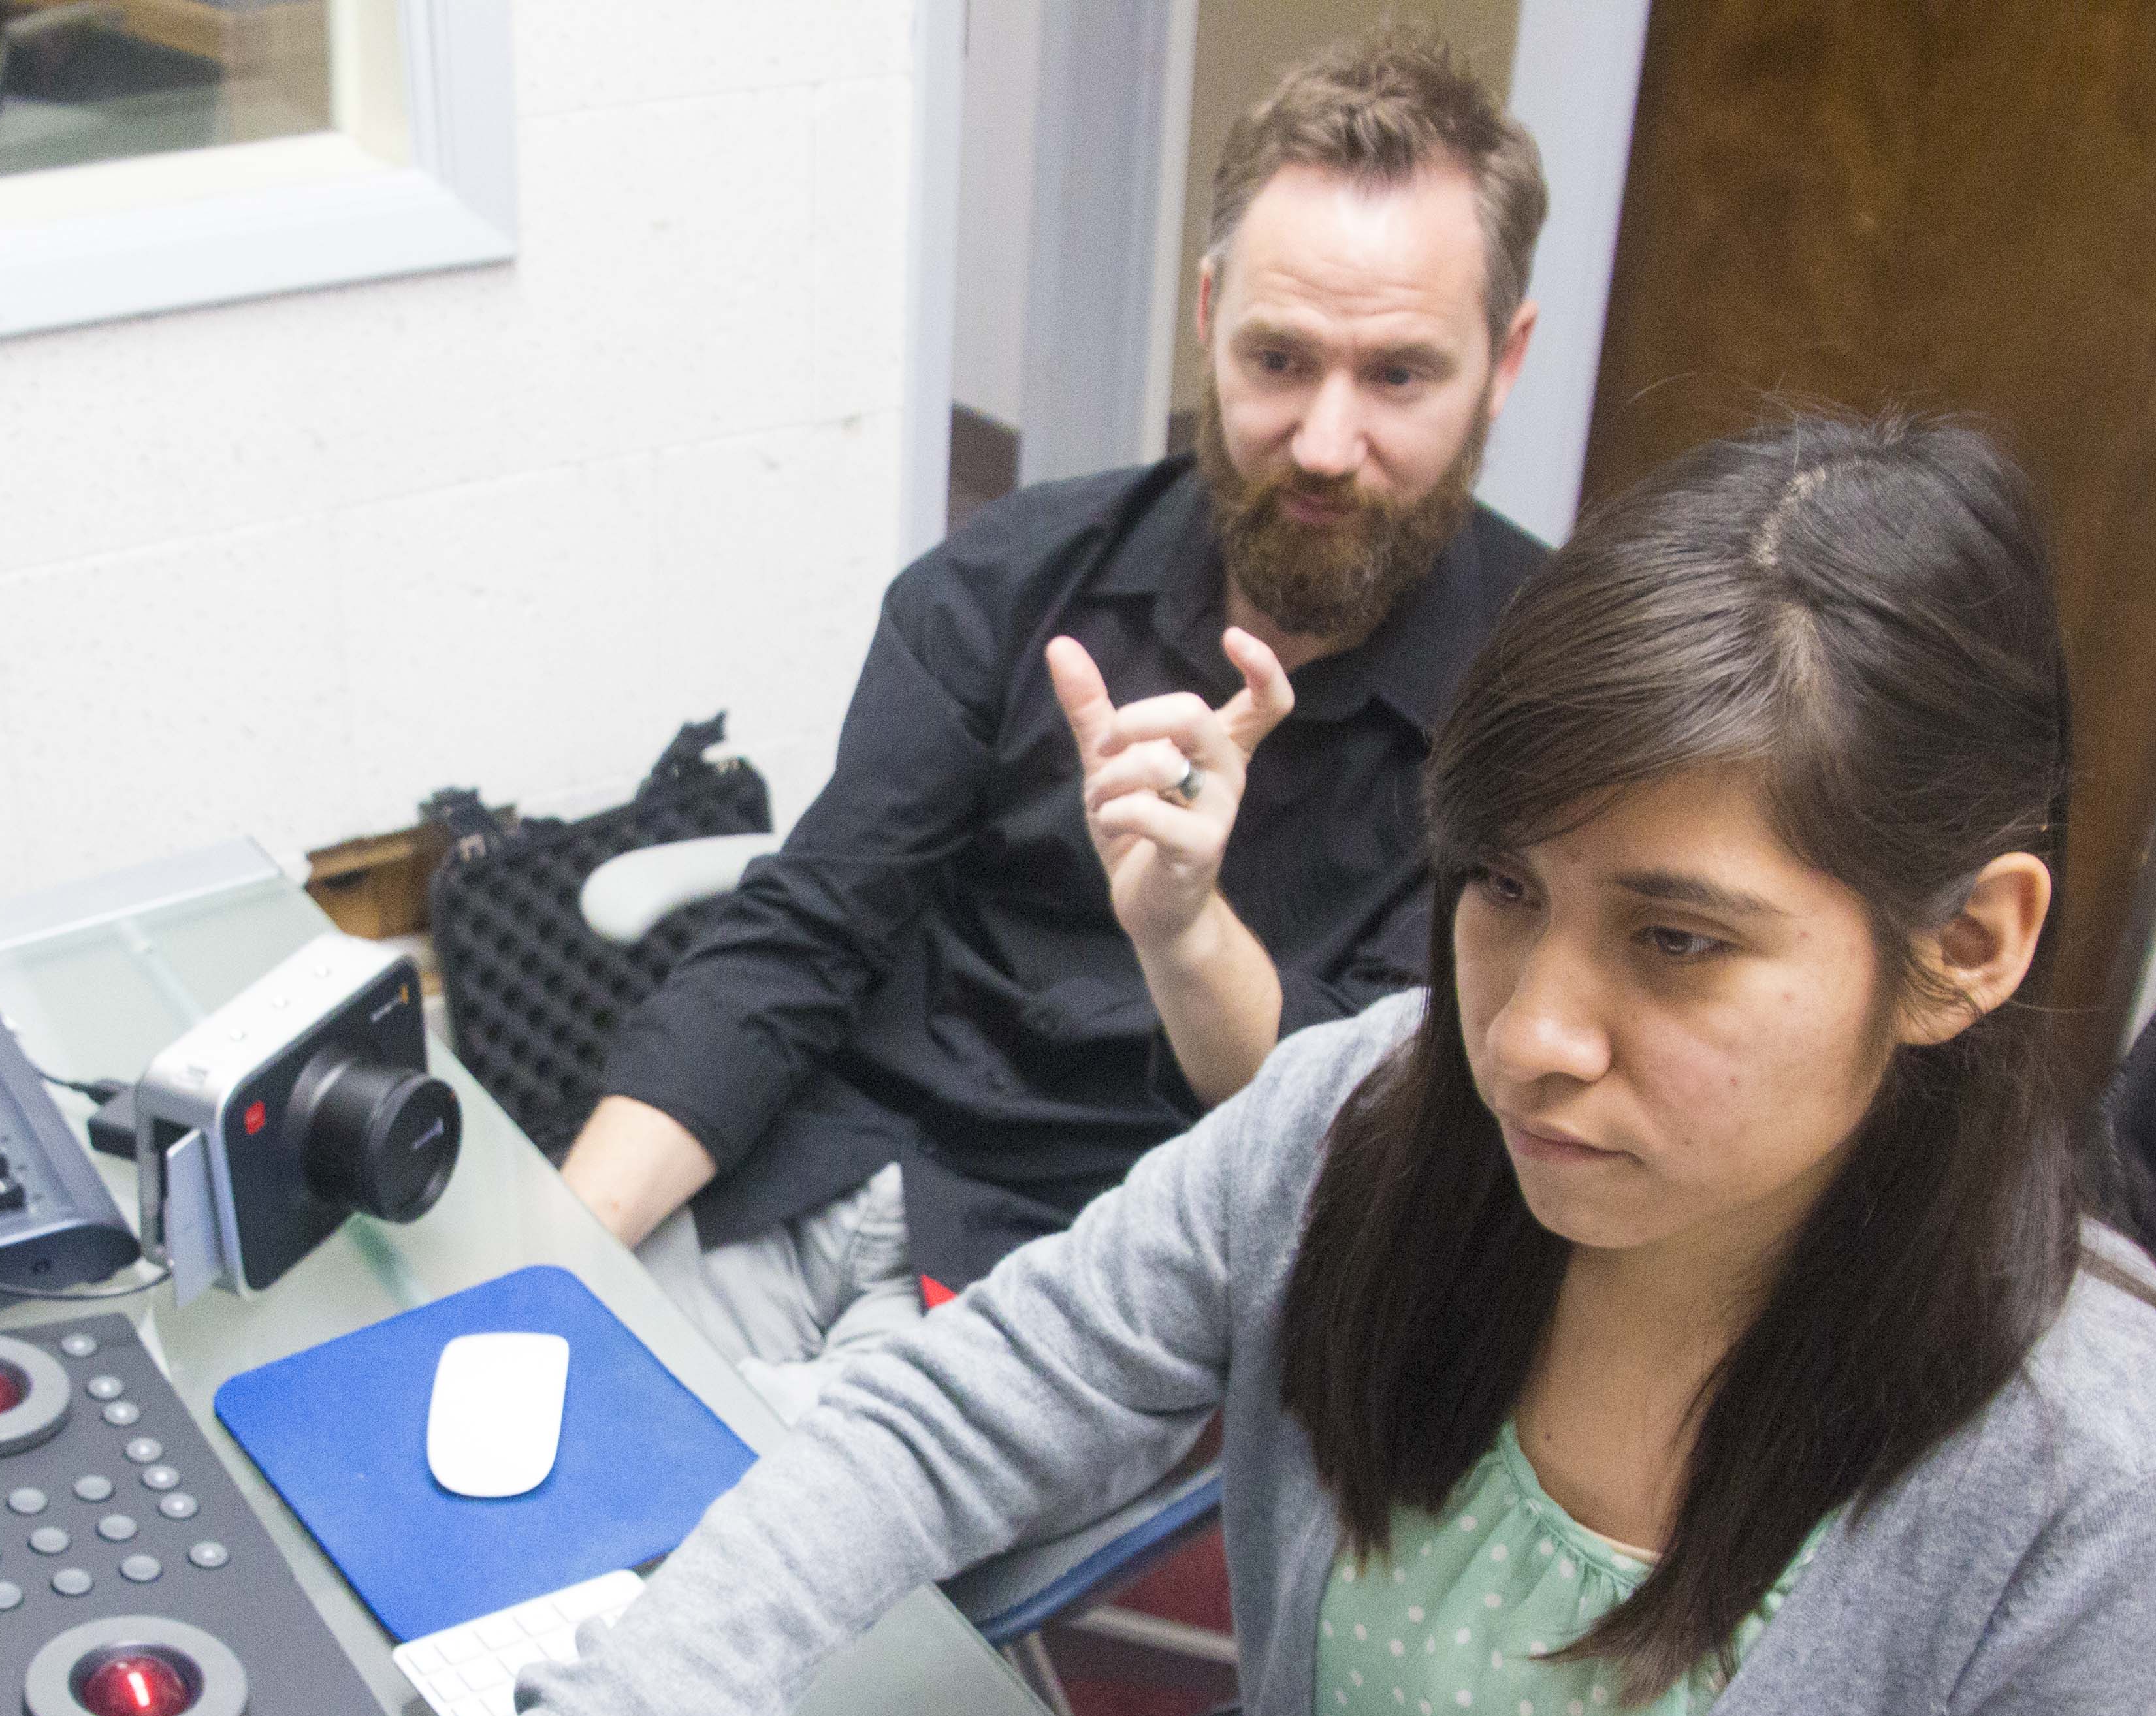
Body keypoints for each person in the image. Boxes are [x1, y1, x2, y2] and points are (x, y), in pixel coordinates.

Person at [146, 414, 2156, 1716]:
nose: (1530, 1027)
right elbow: (936, 1417)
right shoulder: (1373, 1114)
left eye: (1679, 942)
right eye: (1502, 891)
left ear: (1964, 944)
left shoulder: (2099, 1477)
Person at [568, 25, 1549, 1420]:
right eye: (1279, 360)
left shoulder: (1551, 709)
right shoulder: (1011, 577)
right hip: (830, 1156)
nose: (1327, 443)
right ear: (1206, 315)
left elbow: (1346, 1141)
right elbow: (810, 930)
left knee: (722, 1566)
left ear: (1502, 361)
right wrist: (547, 1262)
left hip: (1096, 1256)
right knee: (494, 1418)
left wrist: (1185, 929)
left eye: (1399, 376)